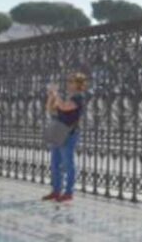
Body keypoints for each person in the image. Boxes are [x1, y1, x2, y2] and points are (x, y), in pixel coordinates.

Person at [42, 72, 87, 203]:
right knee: (55, 163)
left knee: (68, 163)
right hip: (59, 131)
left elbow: (64, 107)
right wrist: (51, 96)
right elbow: (50, 109)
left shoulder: (79, 99)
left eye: (71, 81)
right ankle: (56, 191)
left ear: (78, 84)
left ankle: (69, 192)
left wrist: (56, 95)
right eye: (69, 81)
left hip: (70, 134)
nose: (68, 83)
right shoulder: (67, 98)